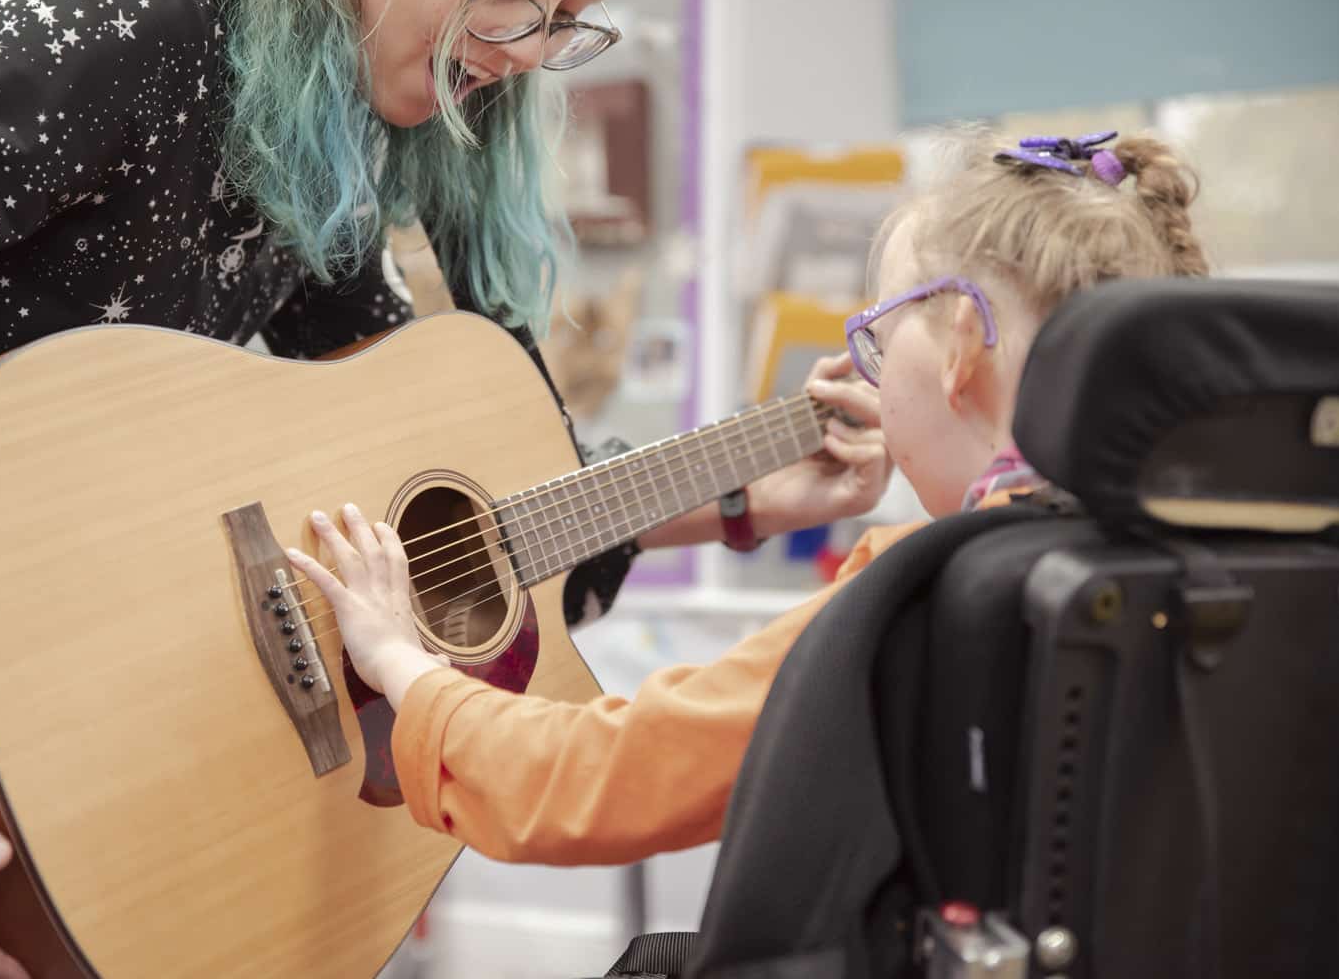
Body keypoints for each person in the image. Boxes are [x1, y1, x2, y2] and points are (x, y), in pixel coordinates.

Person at [0, 0, 895, 975]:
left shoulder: (326, 109)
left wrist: (736, 491)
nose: (523, 49)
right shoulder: (120, 7)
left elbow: (433, 500)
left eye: (572, 19)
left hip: (77, 780)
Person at [290, 128, 1210, 869]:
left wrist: (395, 656)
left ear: (964, 343)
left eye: (879, 339)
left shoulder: (916, 595)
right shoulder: (1184, 565)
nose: (871, 380)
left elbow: (583, 783)